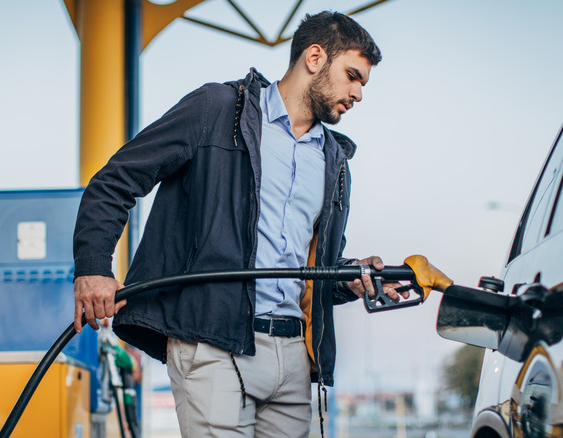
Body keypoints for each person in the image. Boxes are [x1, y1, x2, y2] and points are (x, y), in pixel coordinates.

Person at [72, 11, 404, 437]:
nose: (358, 93)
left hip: (293, 355)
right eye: (353, 76)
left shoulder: (334, 161)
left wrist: (352, 277)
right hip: (211, 341)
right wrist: (94, 267)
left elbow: (312, 267)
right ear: (315, 57)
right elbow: (115, 181)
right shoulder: (217, 109)